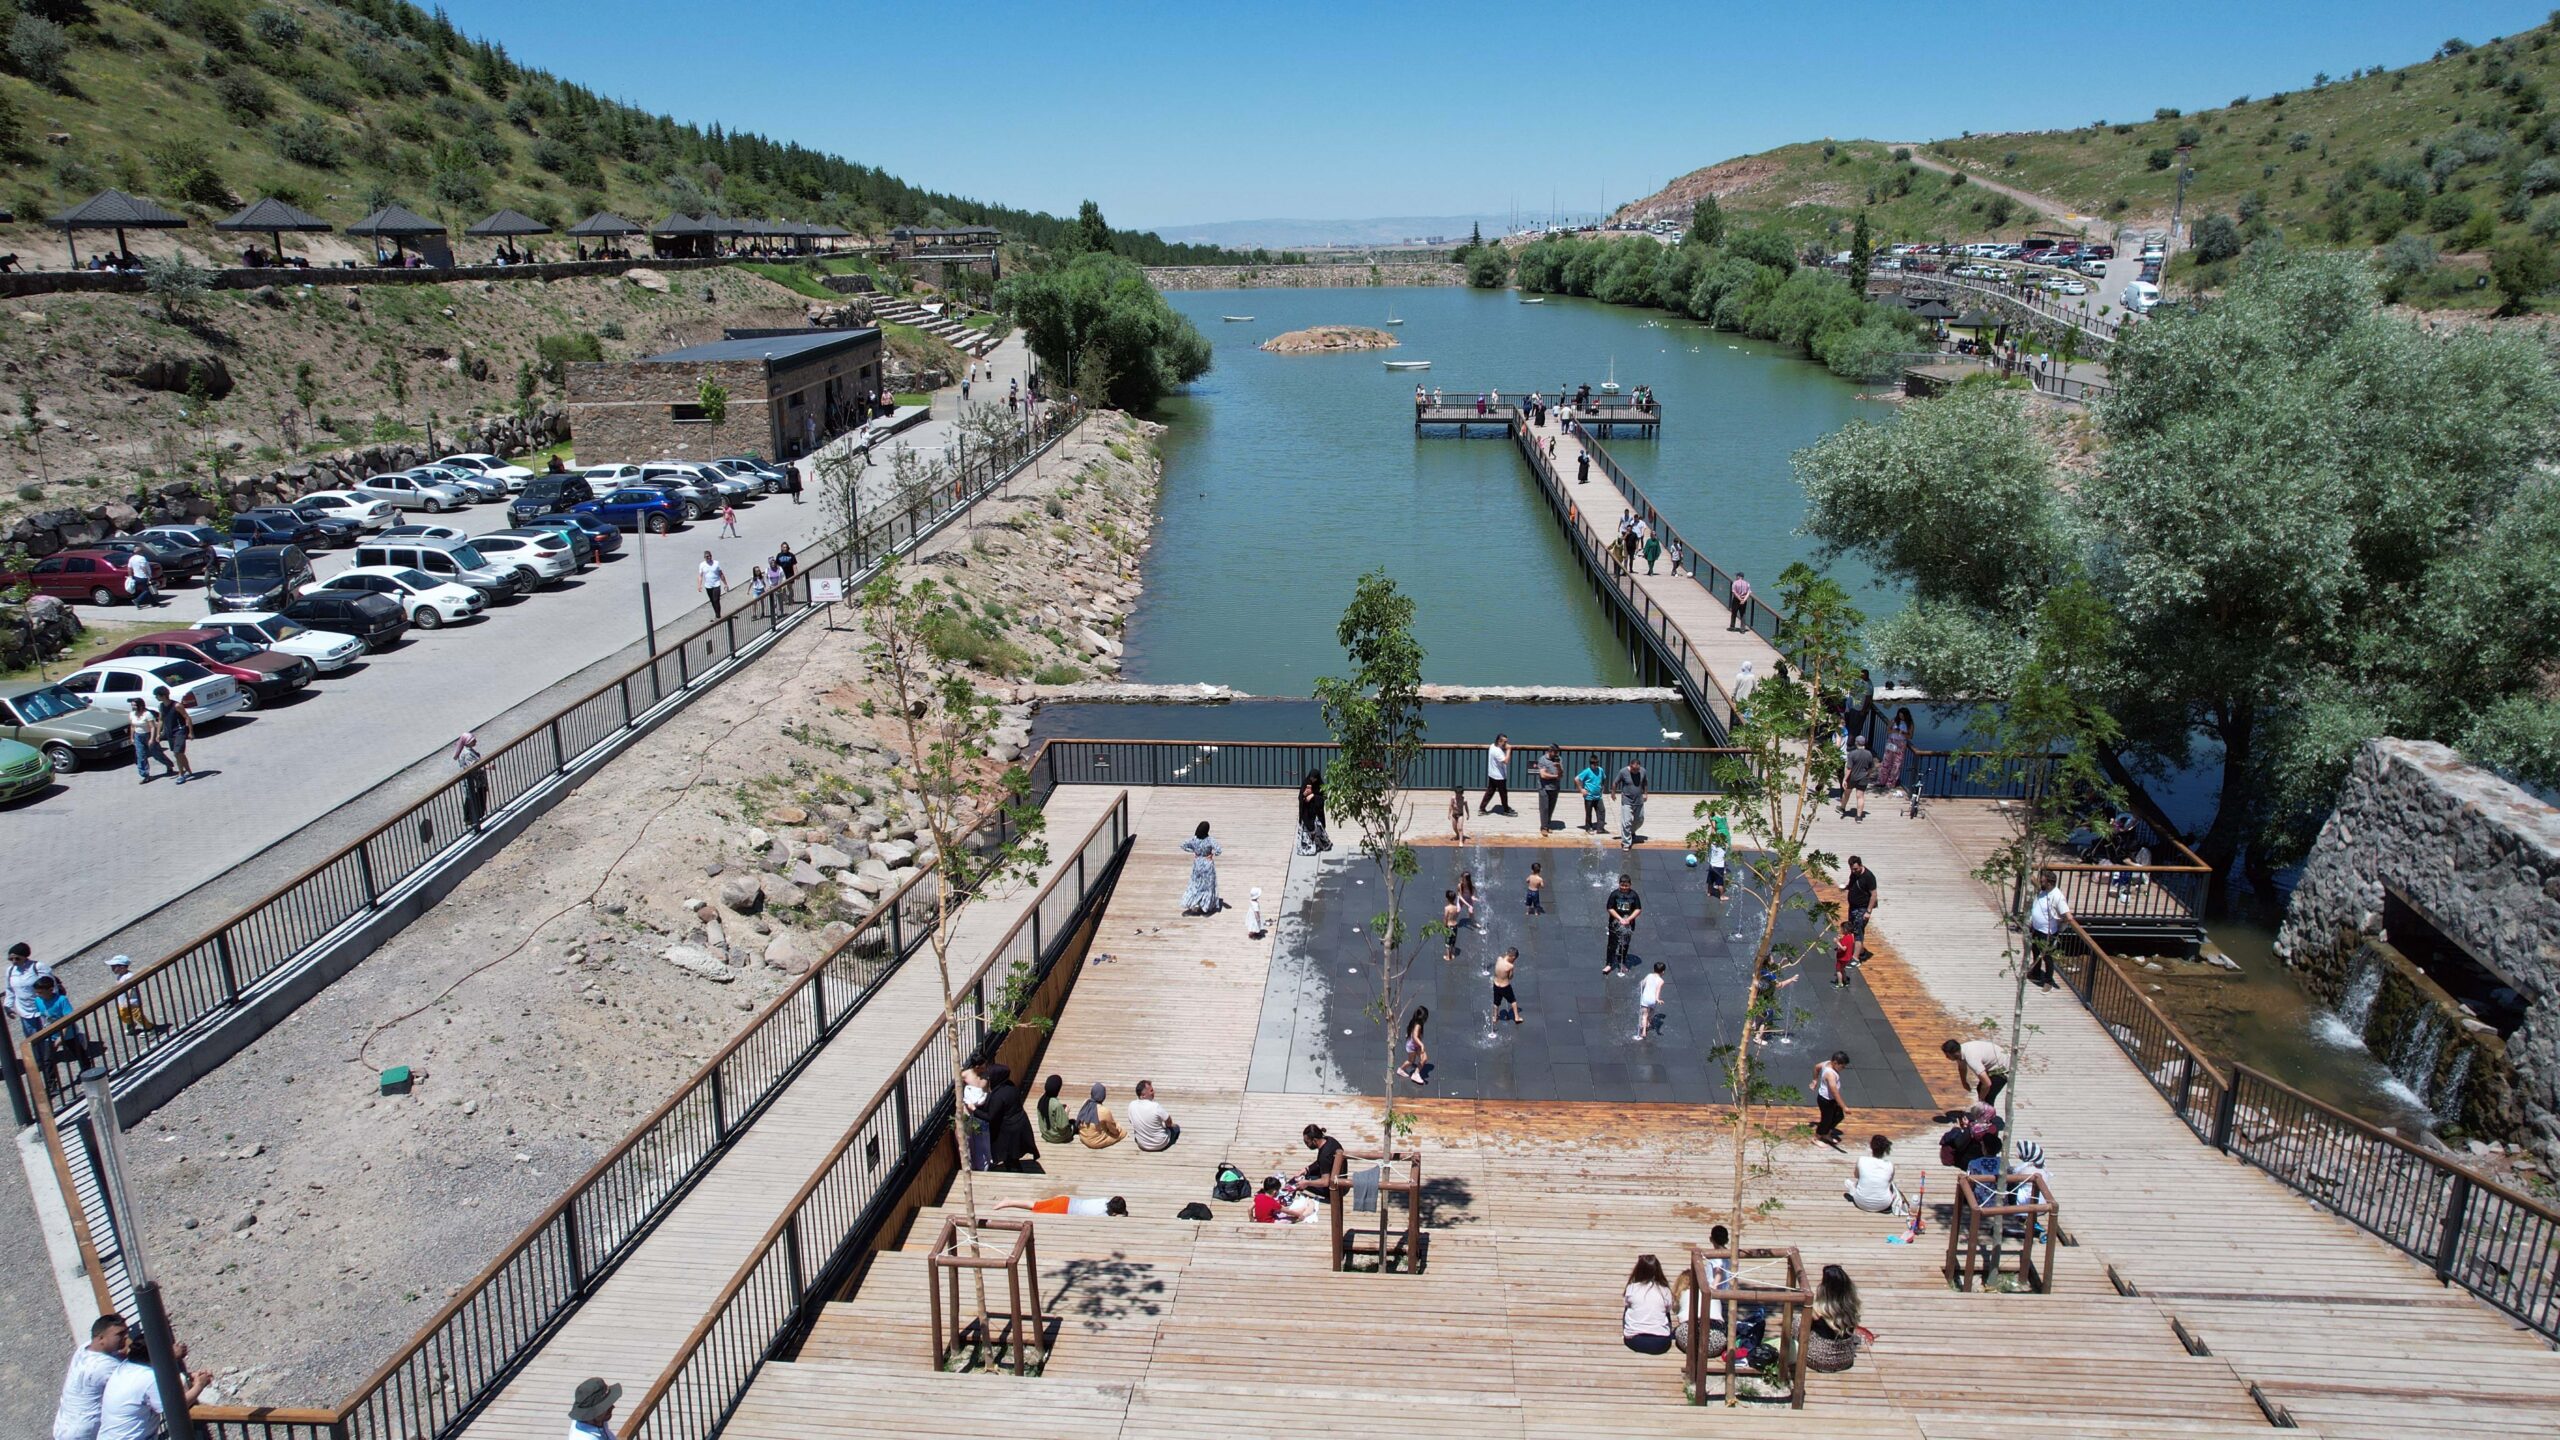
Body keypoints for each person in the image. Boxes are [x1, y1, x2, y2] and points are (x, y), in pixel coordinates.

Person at [96, 1333, 209, 1440]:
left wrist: (188, 1376)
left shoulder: (125, 1367)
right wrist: (199, 1385)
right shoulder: (149, 1378)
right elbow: (175, 1407)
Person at [52, 1312, 125, 1440]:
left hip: (63, 1425)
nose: (125, 1337)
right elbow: (135, 1375)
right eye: (119, 1334)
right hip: (82, 1431)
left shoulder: (83, 1349)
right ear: (101, 1338)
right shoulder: (104, 1367)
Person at [1804, 1264, 1872, 1373]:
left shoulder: (1817, 1309)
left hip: (1818, 1360)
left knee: (1797, 1322)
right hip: (1845, 1361)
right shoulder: (1852, 1306)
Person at [980, 1062, 1040, 1172]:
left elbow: (990, 1117)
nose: (988, 1078)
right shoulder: (1010, 1085)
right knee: (1013, 1156)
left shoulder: (999, 1095)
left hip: (1009, 1131)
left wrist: (973, 1110)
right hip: (1019, 1124)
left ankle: (1017, 1177)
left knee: (1009, 1158)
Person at [1622, 1254, 1677, 1354]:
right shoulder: (1665, 1290)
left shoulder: (1632, 1288)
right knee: (1665, 1311)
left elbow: (1626, 1304)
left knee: (1628, 1307)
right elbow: (1669, 1309)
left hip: (1634, 1341)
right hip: (1661, 1343)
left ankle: (1631, 1329)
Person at [2025, 868, 2069, 988]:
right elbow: (2035, 882)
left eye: (2043, 881)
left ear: (2049, 883)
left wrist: (2061, 925)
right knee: (2035, 951)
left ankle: (2048, 981)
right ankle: (2036, 973)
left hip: (2047, 932)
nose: (2041, 883)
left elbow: (2068, 916)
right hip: (2036, 929)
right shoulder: (2044, 891)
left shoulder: (2057, 896)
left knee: (2047, 957)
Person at [9, 942, 55, 1048]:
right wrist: (8, 1006)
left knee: (48, 1033)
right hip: (24, 1009)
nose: (14, 962)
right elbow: (10, 989)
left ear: (25, 956)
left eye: (17, 958)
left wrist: (51, 1004)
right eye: (11, 959)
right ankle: (38, 1060)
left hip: (42, 1007)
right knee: (31, 1038)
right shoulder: (11, 971)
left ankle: (48, 1057)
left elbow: (51, 985)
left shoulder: (38, 966)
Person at [105, 957, 163, 1038]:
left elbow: (131, 989)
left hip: (132, 1002)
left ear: (122, 967)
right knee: (123, 1015)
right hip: (122, 1001)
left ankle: (150, 1028)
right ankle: (131, 1025)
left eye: (114, 967)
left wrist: (127, 1000)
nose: (112, 969)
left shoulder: (129, 976)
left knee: (138, 1016)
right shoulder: (120, 976)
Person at [1845, 1135, 1902, 1214]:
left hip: (1860, 1202)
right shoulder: (1890, 1165)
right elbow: (1889, 1181)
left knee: (1854, 1182)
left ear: (1871, 1147)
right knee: (1892, 1185)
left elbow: (1856, 1176)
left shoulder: (1862, 1160)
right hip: (1884, 1205)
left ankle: (1852, 1189)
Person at [1945, 1036, 2011, 1103]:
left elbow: (1987, 1083)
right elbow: (1962, 1068)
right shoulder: (1960, 1052)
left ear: (1955, 1053)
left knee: (1988, 1097)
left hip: (2003, 1067)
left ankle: (1987, 1111)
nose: (1946, 1057)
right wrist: (1964, 1082)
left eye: (1947, 1055)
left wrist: (1981, 1100)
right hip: (1994, 1064)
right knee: (1980, 1089)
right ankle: (1984, 1109)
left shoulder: (1972, 1059)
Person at [1179, 821, 1221, 915]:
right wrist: (1212, 855)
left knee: (1196, 884)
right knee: (1208, 886)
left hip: (1198, 863)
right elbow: (1219, 850)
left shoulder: (1194, 839)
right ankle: (1205, 905)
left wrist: (1194, 851)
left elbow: (1183, 845)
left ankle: (1193, 901)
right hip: (1207, 863)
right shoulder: (1210, 840)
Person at [1603, 873, 1642, 975]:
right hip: (1615, 923)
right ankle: (1609, 964)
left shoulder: (1633, 895)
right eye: (1622, 885)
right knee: (1612, 944)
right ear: (1619, 884)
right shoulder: (1615, 894)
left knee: (1624, 944)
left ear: (1630, 885)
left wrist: (1629, 919)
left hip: (1629, 924)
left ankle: (1622, 963)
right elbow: (1609, 908)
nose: (1624, 888)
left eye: (1626, 886)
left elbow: (1638, 909)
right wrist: (1620, 918)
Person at [154, 687, 194, 784]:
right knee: (179, 754)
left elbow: (187, 718)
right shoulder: (161, 706)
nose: (156, 697)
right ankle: (189, 771)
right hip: (170, 733)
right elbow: (161, 720)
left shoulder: (177, 705)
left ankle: (181, 774)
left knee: (177, 753)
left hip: (179, 731)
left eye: (157, 695)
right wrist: (158, 733)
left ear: (163, 695)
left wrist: (190, 732)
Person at [1296, 1124, 1344, 1204]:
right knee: (1306, 1175)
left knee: (1300, 1182)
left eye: (1307, 1142)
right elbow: (1321, 1162)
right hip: (1339, 1174)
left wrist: (1307, 1183)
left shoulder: (1324, 1156)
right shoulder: (1330, 1140)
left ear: (1314, 1140)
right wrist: (1306, 1169)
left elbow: (1325, 1182)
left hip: (1335, 1186)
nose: (1306, 1145)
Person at [1127, 1079, 1178, 1151]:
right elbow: (1169, 1121)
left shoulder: (1131, 1105)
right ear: (1143, 1095)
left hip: (1142, 1144)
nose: (1154, 1092)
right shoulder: (1155, 1106)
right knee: (1176, 1128)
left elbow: (1131, 1121)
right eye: (1151, 1091)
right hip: (1160, 1144)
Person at [1812, 1051, 1849, 1147]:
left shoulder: (1827, 1063)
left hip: (1831, 1100)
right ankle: (1816, 1137)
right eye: (1842, 1066)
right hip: (1826, 1100)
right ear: (1835, 1063)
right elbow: (1834, 1092)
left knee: (1839, 1116)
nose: (1843, 1069)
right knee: (1826, 1120)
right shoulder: (1830, 1074)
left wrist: (1815, 1080)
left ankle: (1826, 1133)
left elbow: (1817, 1067)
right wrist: (1844, 1106)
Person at [1844, 856, 1878, 961]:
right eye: (1852, 869)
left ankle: (1855, 958)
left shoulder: (1869, 876)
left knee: (1858, 931)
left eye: (1856, 869)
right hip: (1853, 907)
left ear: (1861, 865)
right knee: (1852, 929)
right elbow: (1851, 885)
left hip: (1863, 908)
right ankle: (1861, 952)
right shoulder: (1854, 874)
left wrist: (1868, 911)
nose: (1854, 871)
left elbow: (1873, 895)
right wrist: (1846, 887)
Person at [1074, 1081, 1127, 1148]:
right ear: (1103, 1096)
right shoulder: (1104, 1111)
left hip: (1083, 1137)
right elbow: (1114, 1131)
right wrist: (1118, 1128)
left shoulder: (1086, 1102)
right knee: (1123, 1133)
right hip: (1094, 1142)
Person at [127, 700, 167, 782]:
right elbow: (132, 726)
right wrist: (132, 737)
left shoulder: (147, 714)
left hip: (148, 735)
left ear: (140, 705)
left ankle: (168, 765)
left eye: (134, 705)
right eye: (132, 705)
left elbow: (152, 727)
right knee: (140, 755)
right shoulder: (131, 714)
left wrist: (152, 739)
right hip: (138, 736)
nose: (133, 707)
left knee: (156, 754)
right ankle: (145, 775)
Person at [1253, 1175, 1317, 1224]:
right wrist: (1300, 1215)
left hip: (1263, 1218)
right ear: (1274, 1192)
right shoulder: (1273, 1203)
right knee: (1291, 1218)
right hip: (1271, 1223)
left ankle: (1304, 1207)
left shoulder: (1258, 1196)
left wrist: (1251, 1219)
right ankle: (1305, 1212)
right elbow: (1287, 1211)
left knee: (1282, 1213)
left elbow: (1249, 1209)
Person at [1614, 756, 1647, 849]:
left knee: (1639, 820)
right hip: (1627, 800)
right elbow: (1615, 783)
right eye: (1633, 769)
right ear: (1630, 766)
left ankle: (1632, 832)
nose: (1635, 771)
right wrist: (1613, 793)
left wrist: (1645, 794)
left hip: (1639, 800)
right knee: (1627, 821)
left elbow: (1645, 782)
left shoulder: (1643, 771)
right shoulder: (1623, 772)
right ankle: (1626, 843)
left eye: (1637, 769)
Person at [1842, 736, 1876, 821]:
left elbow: (1849, 768)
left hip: (1852, 777)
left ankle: (1842, 807)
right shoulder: (1869, 754)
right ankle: (1859, 817)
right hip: (1863, 778)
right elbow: (1871, 768)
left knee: (1847, 792)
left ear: (1856, 743)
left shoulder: (1852, 754)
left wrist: (1845, 779)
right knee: (1860, 796)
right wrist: (1868, 774)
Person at [1036, 1073, 1076, 1145]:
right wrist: (1066, 1113)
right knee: (1074, 1124)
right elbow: (1062, 1126)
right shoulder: (1057, 1105)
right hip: (1056, 1137)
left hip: (1046, 1134)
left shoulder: (1042, 1099)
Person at [997, 1194, 1129, 1216]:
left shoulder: (1103, 1200)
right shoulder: (1102, 1215)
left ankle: (1010, 1201)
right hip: (1063, 1209)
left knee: (1036, 1205)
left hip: (1066, 1200)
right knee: (1036, 1210)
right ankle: (1009, 1202)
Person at [1479, 733, 1512, 815]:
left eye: (1506, 742)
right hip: (1499, 776)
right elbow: (1506, 761)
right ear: (1499, 741)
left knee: (1490, 791)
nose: (1506, 744)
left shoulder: (1492, 746)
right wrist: (1509, 750)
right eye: (1504, 742)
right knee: (1503, 794)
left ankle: (1482, 808)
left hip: (1492, 774)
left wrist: (1504, 747)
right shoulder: (1498, 752)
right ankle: (1506, 810)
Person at [1296, 770, 1328, 853]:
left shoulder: (1320, 785)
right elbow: (1300, 798)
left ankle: (1320, 845)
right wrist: (1304, 794)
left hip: (1316, 812)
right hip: (1306, 812)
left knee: (1318, 828)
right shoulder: (1305, 783)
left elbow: (1324, 798)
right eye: (1311, 778)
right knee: (1306, 830)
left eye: (1314, 778)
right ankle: (1307, 848)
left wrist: (1313, 796)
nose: (1312, 780)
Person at [1534, 744, 1564, 832]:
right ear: (1550, 751)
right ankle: (1543, 827)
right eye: (1555, 752)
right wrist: (1555, 776)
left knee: (1551, 807)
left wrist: (1558, 767)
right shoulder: (1542, 759)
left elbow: (1561, 774)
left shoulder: (1559, 759)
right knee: (1544, 808)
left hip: (1555, 787)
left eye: (1557, 752)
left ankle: (1547, 825)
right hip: (1544, 787)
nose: (1556, 754)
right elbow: (1543, 775)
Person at [1575, 753, 1608, 832]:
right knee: (1589, 813)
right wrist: (1581, 789)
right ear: (1590, 764)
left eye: (1597, 764)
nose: (1595, 766)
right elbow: (1576, 779)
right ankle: (1588, 827)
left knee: (1601, 811)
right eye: (1593, 764)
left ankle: (1600, 828)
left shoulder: (1600, 770)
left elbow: (1604, 778)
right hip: (1589, 796)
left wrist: (1602, 786)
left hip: (1598, 796)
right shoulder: (1587, 771)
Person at [1492, 946, 1524, 1025]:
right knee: (1513, 1001)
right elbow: (1510, 977)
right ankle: (1516, 1017)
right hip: (1505, 986)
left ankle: (1495, 1017)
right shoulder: (1510, 966)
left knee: (1496, 1002)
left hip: (1496, 985)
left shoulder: (1499, 959)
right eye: (1514, 959)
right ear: (1513, 957)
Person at [1636, 962, 1667, 1040]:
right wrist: (1657, 999)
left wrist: (1641, 985)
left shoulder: (1649, 975)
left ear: (1653, 969)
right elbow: (1658, 991)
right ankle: (1648, 1022)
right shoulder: (1661, 981)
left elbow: (1642, 983)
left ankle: (1643, 1031)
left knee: (1644, 1015)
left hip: (1645, 998)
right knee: (1651, 1012)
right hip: (1652, 1000)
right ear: (1663, 972)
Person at [1399, 1005, 1430, 1083]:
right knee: (1411, 1061)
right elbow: (1414, 1036)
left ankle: (1416, 1073)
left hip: (1414, 1045)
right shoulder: (1418, 1025)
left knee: (1424, 1058)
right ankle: (1401, 1069)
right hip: (1412, 1046)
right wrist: (1421, 1045)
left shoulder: (1415, 1021)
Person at [1704, 832, 1729, 901]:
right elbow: (1726, 847)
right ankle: (1722, 896)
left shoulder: (1712, 845)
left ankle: (1709, 893)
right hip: (1719, 867)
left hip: (1712, 866)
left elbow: (1710, 839)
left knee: (1710, 880)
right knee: (1720, 883)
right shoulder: (1724, 847)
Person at [1832, 921, 1857, 989]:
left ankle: (1840, 983)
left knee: (1838, 970)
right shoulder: (1851, 936)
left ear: (1845, 929)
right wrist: (1840, 939)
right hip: (1848, 957)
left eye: (1842, 928)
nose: (1841, 929)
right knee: (1842, 969)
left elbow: (1844, 948)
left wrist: (1837, 942)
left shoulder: (1846, 938)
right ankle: (1845, 980)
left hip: (1842, 957)